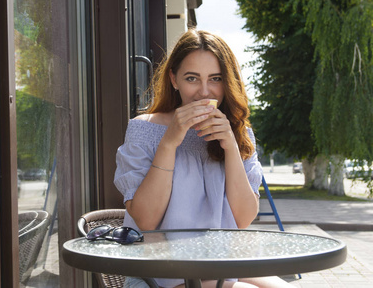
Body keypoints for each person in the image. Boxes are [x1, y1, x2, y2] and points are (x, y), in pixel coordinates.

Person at [114, 29, 293, 288]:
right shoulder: (145, 130)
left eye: (215, 78)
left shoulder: (239, 134)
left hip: (223, 264)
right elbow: (146, 220)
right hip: (160, 272)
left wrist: (231, 145)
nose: (204, 92)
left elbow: (243, 218)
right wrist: (170, 142)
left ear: (227, 81)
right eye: (192, 79)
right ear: (174, 79)